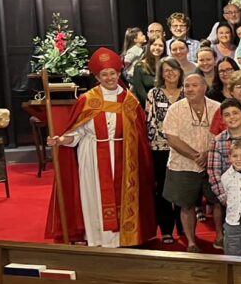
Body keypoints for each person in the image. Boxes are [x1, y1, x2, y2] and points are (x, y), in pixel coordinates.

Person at [45, 48, 157, 248]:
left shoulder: (130, 101)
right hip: (93, 158)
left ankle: (126, 237)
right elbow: (77, 134)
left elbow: (140, 136)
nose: (109, 78)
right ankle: (97, 237)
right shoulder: (88, 100)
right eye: (104, 75)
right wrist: (61, 140)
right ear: (97, 77)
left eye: (112, 73)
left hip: (125, 158)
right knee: (94, 197)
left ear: (118, 73)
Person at [161, 73, 221, 252]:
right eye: (187, 86)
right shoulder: (175, 109)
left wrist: (207, 154)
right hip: (182, 165)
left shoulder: (217, 108)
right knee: (186, 205)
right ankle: (192, 242)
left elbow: (224, 135)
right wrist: (196, 155)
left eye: (194, 85)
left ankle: (220, 236)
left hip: (213, 163)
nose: (189, 89)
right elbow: (171, 138)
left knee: (217, 201)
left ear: (204, 87)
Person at [145, 58, 185, 245]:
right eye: (166, 71)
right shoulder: (154, 93)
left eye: (174, 70)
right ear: (161, 74)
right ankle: (166, 229)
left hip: (184, 148)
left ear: (180, 72)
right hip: (160, 148)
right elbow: (150, 121)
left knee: (182, 188)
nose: (170, 73)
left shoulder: (187, 92)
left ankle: (183, 224)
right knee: (163, 189)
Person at [131, 36, 165, 106]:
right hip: (147, 106)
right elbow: (139, 90)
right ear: (149, 46)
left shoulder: (167, 65)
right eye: (154, 45)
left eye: (160, 45)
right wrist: (152, 103)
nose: (157, 48)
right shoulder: (139, 66)